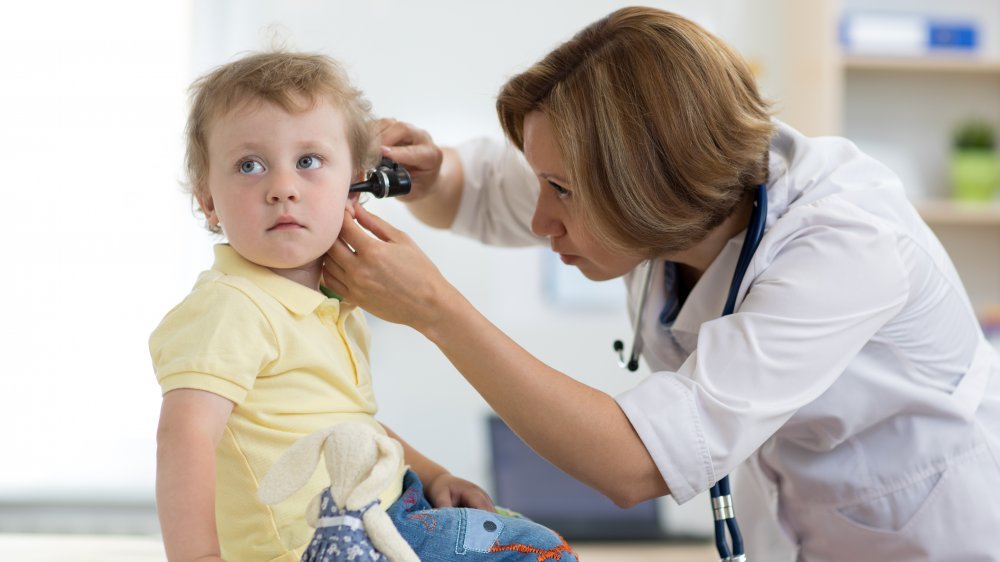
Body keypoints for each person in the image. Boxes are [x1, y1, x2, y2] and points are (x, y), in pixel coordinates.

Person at [322, 7, 1000, 561]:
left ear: (654, 184)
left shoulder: (846, 245)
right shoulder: (666, 196)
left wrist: (435, 310)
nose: (539, 219)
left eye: (560, 190)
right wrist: (430, 174)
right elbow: (471, 194)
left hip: (934, 540)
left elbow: (633, 466)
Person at [150, 51, 578, 562]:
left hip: (385, 512)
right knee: (534, 550)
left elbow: (354, 430)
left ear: (356, 188)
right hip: (316, 543)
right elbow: (184, 438)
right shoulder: (230, 306)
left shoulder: (331, 305)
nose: (282, 188)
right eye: (250, 165)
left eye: (308, 162)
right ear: (210, 202)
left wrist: (437, 474)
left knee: (511, 531)